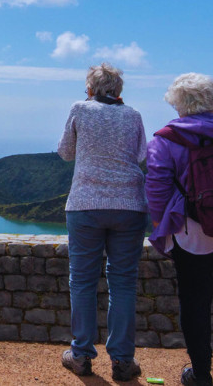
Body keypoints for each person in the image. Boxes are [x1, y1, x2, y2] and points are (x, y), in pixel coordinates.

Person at [57, 63, 148, 382]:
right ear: (118, 90)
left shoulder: (80, 109)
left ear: (90, 89)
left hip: (86, 205)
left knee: (82, 280)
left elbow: (65, 152)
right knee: (122, 282)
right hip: (129, 205)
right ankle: (123, 361)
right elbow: (141, 156)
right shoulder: (133, 115)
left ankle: (81, 355)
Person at [145, 73, 213, 386]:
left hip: (190, 232)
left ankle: (200, 374)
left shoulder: (167, 139)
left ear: (179, 105)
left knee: (195, 302)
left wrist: (160, 226)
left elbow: (156, 188)